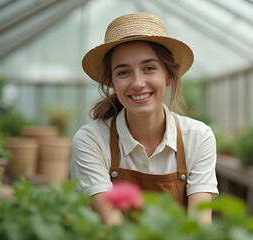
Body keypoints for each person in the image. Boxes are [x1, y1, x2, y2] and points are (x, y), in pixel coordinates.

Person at [71, 13, 218, 225]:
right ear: (112, 82)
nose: (138, 83)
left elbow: (198, 228)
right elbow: (114, 229)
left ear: (168, 75)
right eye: (123, 72)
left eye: (149, 68)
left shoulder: (198, 137)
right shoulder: (91, 140)